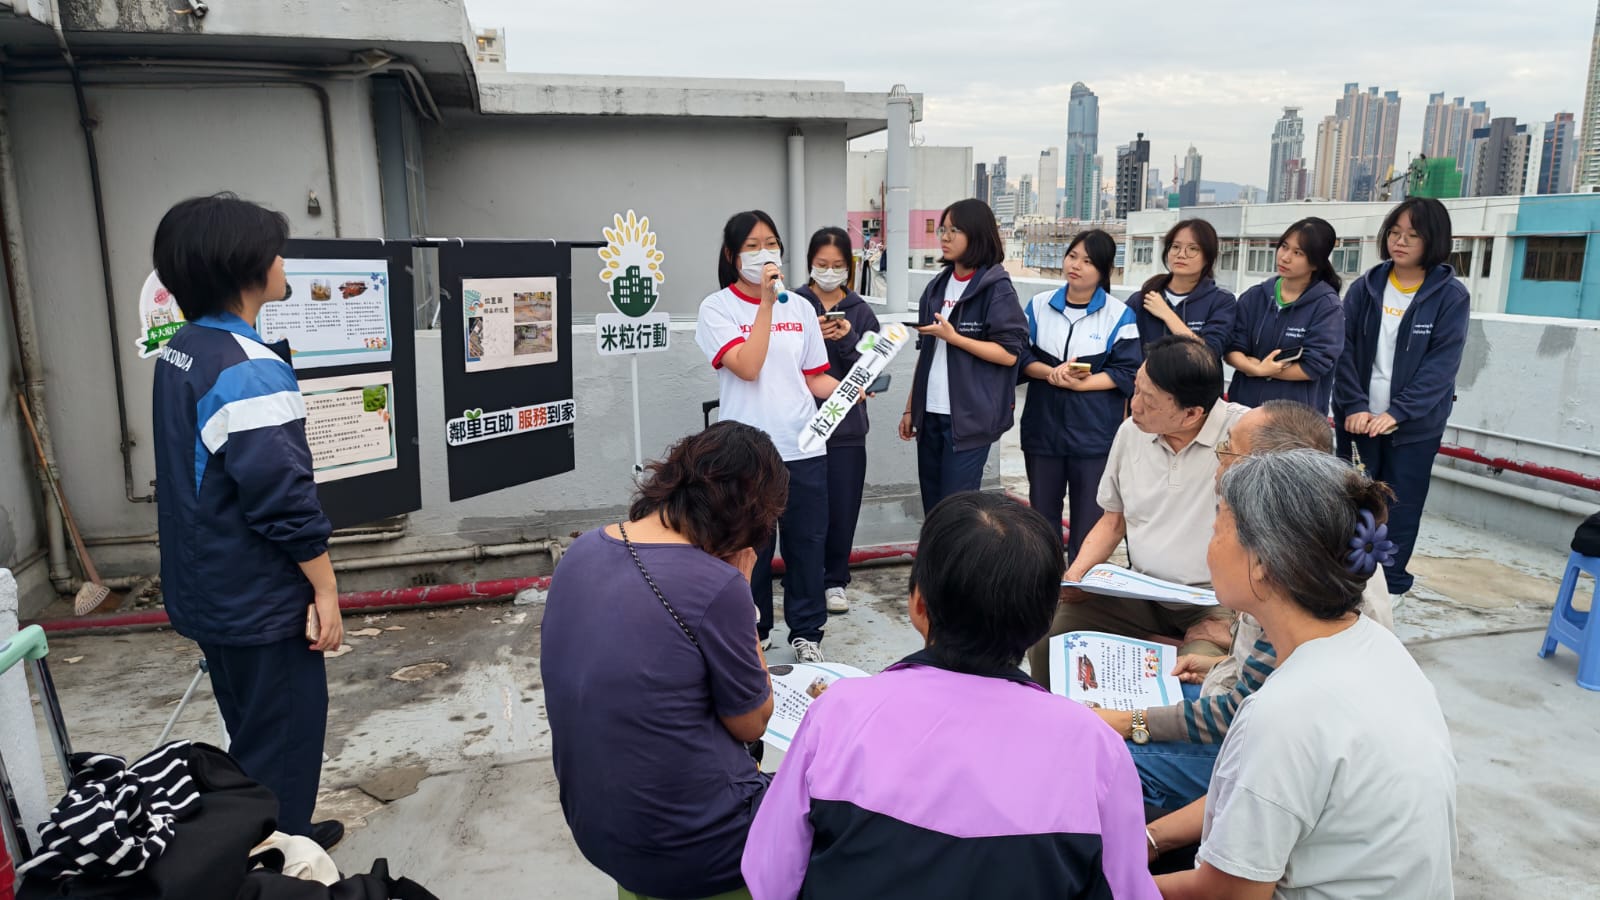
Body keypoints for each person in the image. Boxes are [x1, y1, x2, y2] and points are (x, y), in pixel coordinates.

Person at [742, 493, 1158, 900]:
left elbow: (770, 876)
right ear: (1047, 618)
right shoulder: (1095, 749)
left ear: (918, 604)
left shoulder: (837, 712)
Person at [1152, 451, 1457, 900]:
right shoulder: (1375, 646)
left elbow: (1229, 894)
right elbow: (1264, 798)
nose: (1209, 541)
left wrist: (1105, 888)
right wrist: (1153, 838)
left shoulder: (1284, 713)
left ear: (1263, 562)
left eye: (1219, 526)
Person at [149, 194, 343, 848]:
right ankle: (275, 862)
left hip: (209, 589)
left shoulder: (184, 348)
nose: (283, 263)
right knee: (284, 734)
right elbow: (282, 501)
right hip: (258, 599)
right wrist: (325, 589)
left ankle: (284, 828)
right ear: (246, 268)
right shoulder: (251, 369)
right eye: (276, 252)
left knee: (254, 729)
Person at [1090, 400, 1395, 813]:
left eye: (1228, 449)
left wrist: (1132, 723)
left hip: (1258, 745)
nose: (1217, 463)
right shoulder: (1306, 548)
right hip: (1249, 719)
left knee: (1098, 753)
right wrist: (1222, 666)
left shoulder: (1300, 585)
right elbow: (1261, 680)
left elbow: (1243, 713)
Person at [542, 422, 782, 900]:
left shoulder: (581, 551)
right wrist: (744, 594)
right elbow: (753, 722)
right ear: (750, 518)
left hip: (598, 827)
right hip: (700, 847)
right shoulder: (720, 585)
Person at [1028, 335, 1245, 690]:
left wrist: (1241, 616)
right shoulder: (1132, 432)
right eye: (1137, 388)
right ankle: (1053, 719)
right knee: (1051, 635)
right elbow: (1113, 520)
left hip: (1218, 601)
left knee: (1192, 678)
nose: (1135, 405)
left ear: (1192, 413)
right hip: (1142, 591)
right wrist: (1077, 576)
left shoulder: (1244, 436)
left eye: (1149, 400)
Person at [695, 211, 842, 662]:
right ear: (731, 255)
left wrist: (850, 389)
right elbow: (748, 366)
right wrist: (765, 304)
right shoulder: (716, 308)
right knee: (749, 547)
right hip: (746, 453)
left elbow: (813, 377)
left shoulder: (800, 307)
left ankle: (807, 634)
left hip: (803, 445)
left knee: (807, 545)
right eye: (753, 246)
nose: (765, 254)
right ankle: (752, 631)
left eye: (771, 244)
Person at [1333, 197, 1471, 605]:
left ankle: (1390, 588)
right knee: (1353, 502)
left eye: (1413, 235)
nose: (1400, 241)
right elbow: (1344, 350)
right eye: (1395, 233)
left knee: (1401, 507)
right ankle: (1344, 583)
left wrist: (1398, 413)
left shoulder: (1450, 296)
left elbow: (1440, 367)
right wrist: (1355, 406)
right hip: (1359, 421)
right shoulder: (1366, 287)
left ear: (1433, 240)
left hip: (1413, 427)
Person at [900, 198, 1028, 514]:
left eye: (954, 230)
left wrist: (955, 338)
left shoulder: (995, 288)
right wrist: (911, 408)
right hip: (930, 415)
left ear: (977, 234)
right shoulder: (936, 287)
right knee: (933, 509)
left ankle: (954, 551)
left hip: (970, 420)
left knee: (957, 512)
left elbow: (1009, 354)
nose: (944, 237)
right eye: (942, 230)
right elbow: (926, 352)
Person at [1018, 229, 1141, 560]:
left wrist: (1081, 384)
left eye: (1087, 261)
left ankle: (1080, 583)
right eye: (1072, 256)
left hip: (1093, 435)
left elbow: (1127, 371)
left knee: (1089, 520)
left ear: (1104, 270)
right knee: (1042, 517)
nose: (1076, 265)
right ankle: (1044, 581)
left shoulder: (1119, 315)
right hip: (1043, 429)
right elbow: (1020, 356)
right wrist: (1050, 373)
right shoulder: (1039, 306)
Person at [794, 227, 881, 615]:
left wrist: (847, 337)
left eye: (837, 265)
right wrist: (811, 334)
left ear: (850, 267)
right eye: (821, 264)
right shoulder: (793, 304)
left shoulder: (862, 312)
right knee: (802, 511)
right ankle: (805, 578)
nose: (829, 272)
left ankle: (835, 581)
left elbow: (872, 368)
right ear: (810, 263)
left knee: (842, 508)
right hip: (799, 425)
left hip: (846, 429)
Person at [1224, 217, 1345, 411]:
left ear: (1316, 262)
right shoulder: (1255, 296)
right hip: (1244, 409)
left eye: (1298, 253)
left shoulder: (1327, 307)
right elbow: (1231, 348)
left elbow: (1314, 366)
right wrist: (1255, 369)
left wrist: (1265, 370)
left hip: (1294, 416)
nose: (1285, 257)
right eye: (1284, 247)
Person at [1134, 219, 1237, 359]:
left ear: (1208, 257)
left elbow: (1209, 354)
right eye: (1175, 247)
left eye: (1193, 249)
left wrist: (1167, 315)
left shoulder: (1221, 301)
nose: (1181, 254)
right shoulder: (1145, 298)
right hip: (1147, 374)